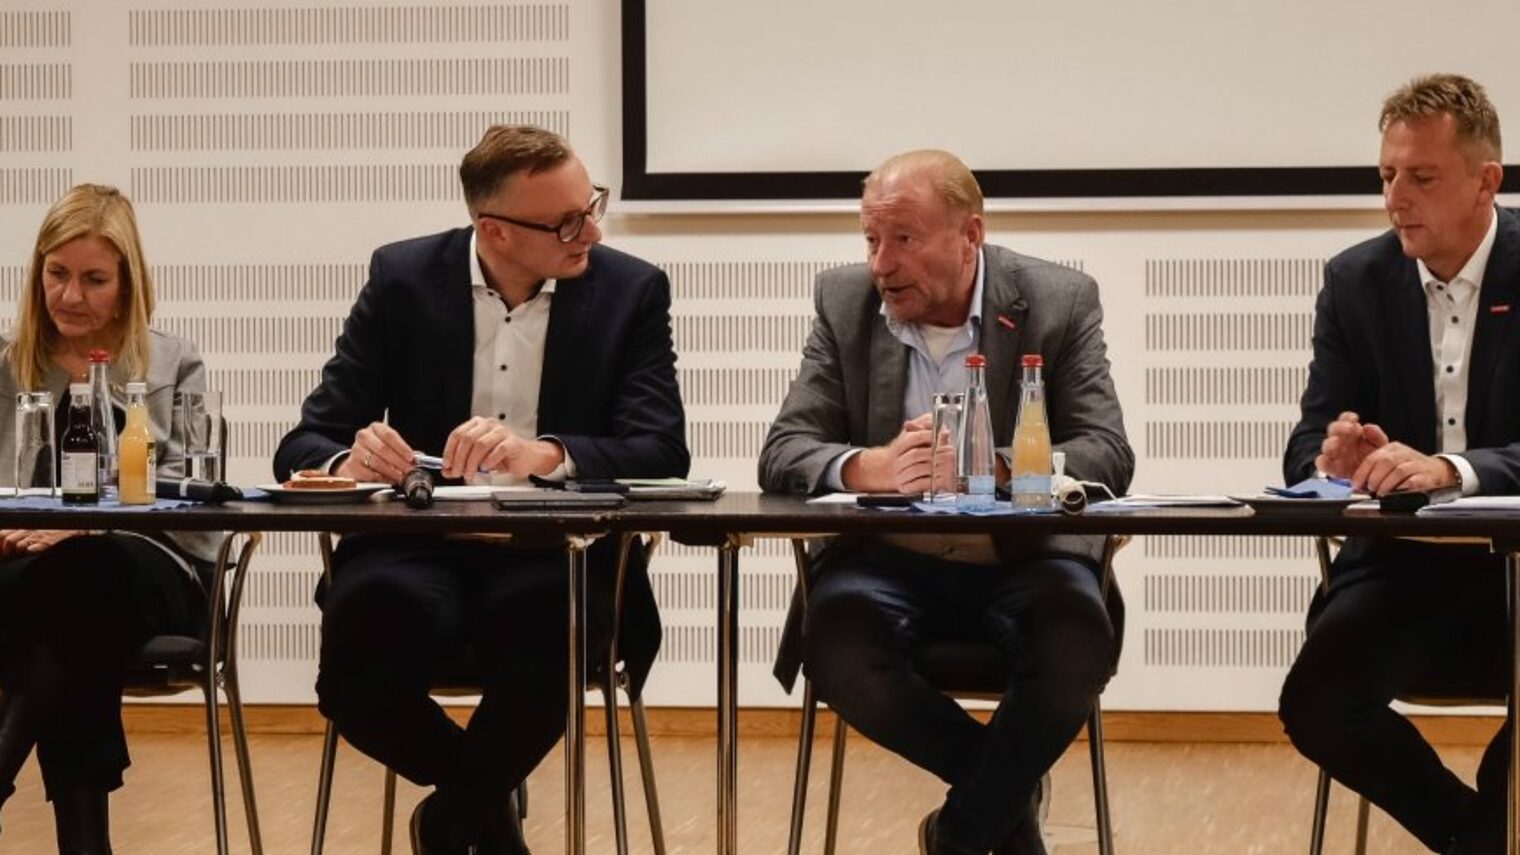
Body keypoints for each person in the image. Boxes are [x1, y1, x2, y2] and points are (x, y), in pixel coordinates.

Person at [273, 124, 687, 855]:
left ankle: (451, 819)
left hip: (552, 551)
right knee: (355, 667)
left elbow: (662, 449)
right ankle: (482, 815)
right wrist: (352, 458)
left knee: (549, 644)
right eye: (566, 219)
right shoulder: (402, 279)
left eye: (591, 204)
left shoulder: (630, 289)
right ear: (493, 229)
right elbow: (306, 442)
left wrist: (545, 452)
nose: (589, 228)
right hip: (417, 545)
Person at [758, 149, 1133, 855]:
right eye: (872, 239)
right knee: (836, 641)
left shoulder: (1058, 299)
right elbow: (784, 451)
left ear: (970, 235)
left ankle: (960, 833)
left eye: (904, 238)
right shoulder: (845, 304)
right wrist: (869, 467)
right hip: (886, 558)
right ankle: (1006, 795)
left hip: (1022, 554)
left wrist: (996, 468)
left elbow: (1106, 451)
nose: (881, 262)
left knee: (1078, 638)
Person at [1278, 74, 1514, 855]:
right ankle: (1482, 839)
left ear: (1487, 181)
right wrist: (1335, 457)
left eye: (1421, 177)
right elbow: (1304, 446)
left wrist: (1452, 469)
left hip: (1519, 567)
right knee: (1316, 702)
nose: (1395, 197)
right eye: (1386, 175)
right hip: (1400, 569)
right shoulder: (1356, 280)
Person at [0, 184, 221, 852]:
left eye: (94, 279)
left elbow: (195, 503)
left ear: (128, 284)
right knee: (70, 625)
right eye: (57, 274)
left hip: (150, 572)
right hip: (28, 573)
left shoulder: (173, 361)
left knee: (85, 571)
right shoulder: (6, 363)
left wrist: (92, 525)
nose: (71, 296)